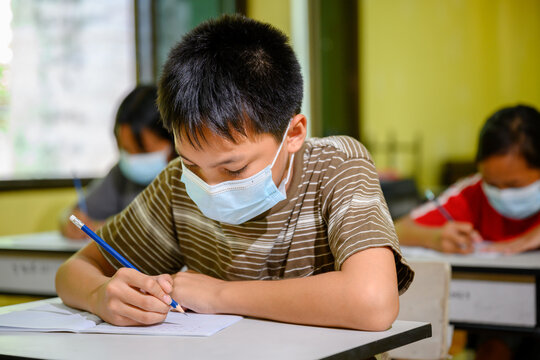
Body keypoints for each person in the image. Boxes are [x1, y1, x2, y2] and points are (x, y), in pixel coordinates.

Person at [56, 15, 413, 331]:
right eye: (192, 164)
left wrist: (219, 294)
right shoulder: (178, 183)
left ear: (294, 133)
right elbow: (73, 271)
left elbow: (373, 302)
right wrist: (101, 295)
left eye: (234, 167)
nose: (210, 186)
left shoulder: (337, 165)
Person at [396, 104, 540, 254]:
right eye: (491, 184)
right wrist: (434, 237)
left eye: (514, 185)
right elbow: (397, 230)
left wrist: (525, 241)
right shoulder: (470, 195)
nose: (502, 194)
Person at [60, 85, 175, 239]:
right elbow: (74, 213)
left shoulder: (192, 177)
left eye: (142, 151)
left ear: (173, 138)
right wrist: (71, 221)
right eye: (126, 150)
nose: (133, 159)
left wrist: (117, 229)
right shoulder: (121, 175)